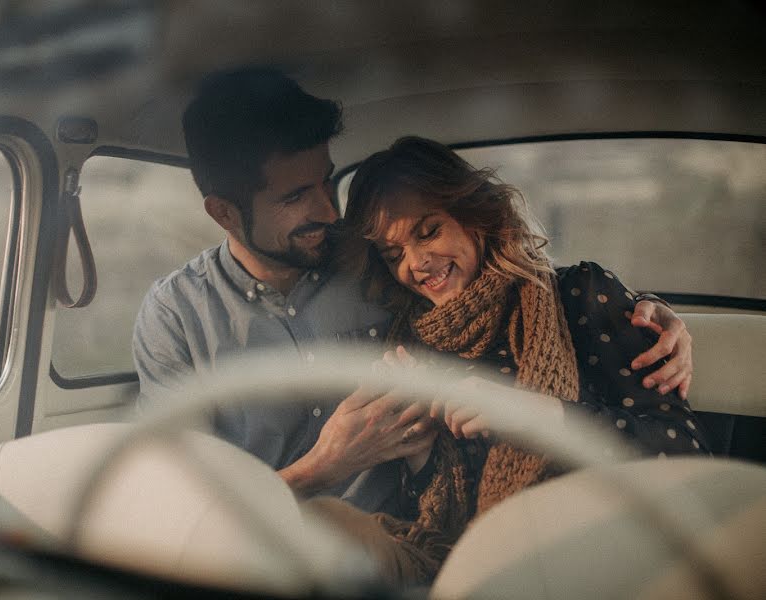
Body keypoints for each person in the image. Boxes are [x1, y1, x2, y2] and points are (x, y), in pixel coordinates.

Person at [132, 67, 696, 518]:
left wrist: (647, 313)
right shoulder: (175, 318)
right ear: (223, 212)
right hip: (262, 550)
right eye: (297, 196)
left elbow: (516, 282)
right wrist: (326, 465)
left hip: (398, 544)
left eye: (328, 180)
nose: (329, 211)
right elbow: (178, 505)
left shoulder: (371, 268)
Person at [316, 135, 711, 584]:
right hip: (470, 563)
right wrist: (420, 451)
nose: (417, 263)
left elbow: (685, 448)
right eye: (394, 255)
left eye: (428, 232)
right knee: (325, 528)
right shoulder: (412, 341)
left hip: (594, 547)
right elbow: (436, 513)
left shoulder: (579, 293)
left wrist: (542, 415)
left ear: (474, 216)